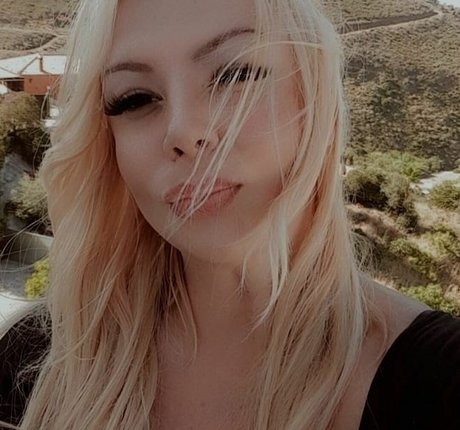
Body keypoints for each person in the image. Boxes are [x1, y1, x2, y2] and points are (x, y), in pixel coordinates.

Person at [0, 0, 459, 429]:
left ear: (310, 95)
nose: (184, 132)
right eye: (135, 98)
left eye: (235, 74)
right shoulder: (34, 360)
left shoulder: (440, 382)